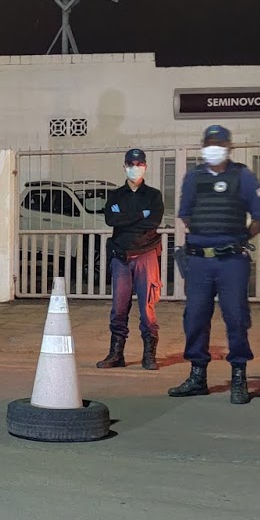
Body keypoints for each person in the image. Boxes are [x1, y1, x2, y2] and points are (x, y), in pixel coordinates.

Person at [168, 125, 260, 405]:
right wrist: (207, 236)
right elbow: (186, 215)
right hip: (199, 261)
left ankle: (239, 375)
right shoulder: (194, 177)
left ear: (229, 147)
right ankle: (197, 376)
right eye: (210, 143)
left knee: (236, 318)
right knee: (195, 317)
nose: (214, 148)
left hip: (231, 261)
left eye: (220, 143)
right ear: (203, 146)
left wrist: (238, 238)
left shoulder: (243, 176)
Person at [95, 148, 167, 371]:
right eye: (131, 164)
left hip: (146, 254)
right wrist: (140, 215)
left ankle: (149, 356)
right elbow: (111, 219)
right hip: (121, 255)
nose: (135, 168)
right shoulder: (116, 195)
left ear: (145, 166)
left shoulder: (153, 195)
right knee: (118, 308)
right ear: (125, 166)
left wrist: (125, 217)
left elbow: (153, 222)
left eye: (139, 164)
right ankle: (116, 354)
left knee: (147, 309)